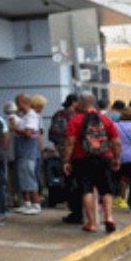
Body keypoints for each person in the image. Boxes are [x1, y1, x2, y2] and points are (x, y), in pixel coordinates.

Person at [62, 93, 122, 233]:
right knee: (106, 189)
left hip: (82, 158)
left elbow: (70, 142)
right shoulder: (106, 119)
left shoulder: (75, 119)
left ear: (81, 104)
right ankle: (109, 217)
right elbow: (117, 142)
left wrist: (66, 160)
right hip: (104, 158)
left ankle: (92, 223)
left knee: (86, 190)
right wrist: (115, 158)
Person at [49, 94, 85, 224]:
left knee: (69, 181)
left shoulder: (57, 114)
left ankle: (74, 211)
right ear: (74, 103)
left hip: (62, 151)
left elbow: (51, 135)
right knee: (80, 183)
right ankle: (80, 213)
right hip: (75, 152)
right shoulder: (75, 116)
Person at [9, 94, 43, 215]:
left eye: (18, 103)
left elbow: (28, 133)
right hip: (22, 152)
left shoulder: (31, 116)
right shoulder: (25, 116)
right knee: (24, 179)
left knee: (30, 179)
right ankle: (27, 203)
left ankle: (36, 204)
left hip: (28, 153)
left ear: (23, 102)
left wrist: (14, 129)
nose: (17, 106)